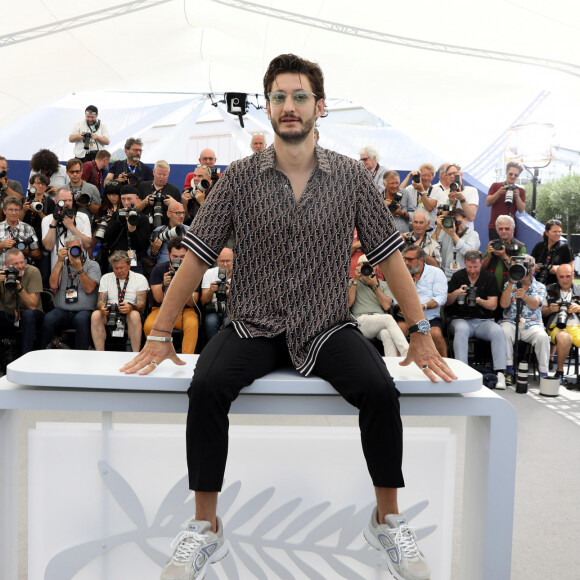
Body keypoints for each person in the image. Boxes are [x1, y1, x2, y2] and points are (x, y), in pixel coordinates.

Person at [121, 54, 454, 580]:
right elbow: (197, 254)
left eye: (300, 97)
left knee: (380, 390)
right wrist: (160, 331)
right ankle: (204, 528)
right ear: (268, 107)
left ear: (319, 106)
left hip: (326, 325)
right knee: (206, 385)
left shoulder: (350, 176)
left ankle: (386, 518)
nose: (289, 106)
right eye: (279, 97)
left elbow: (390, 254)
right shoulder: (238, 179)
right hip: (252, 323)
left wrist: (419, 333)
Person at [446, 250, 507, 388]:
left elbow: (493, 305)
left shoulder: (489, 277)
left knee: (498, 331)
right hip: (461, 318)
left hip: (483, 321)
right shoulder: (457, 276)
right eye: (469, 267)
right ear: (465, 264)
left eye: (475, 267)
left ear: (481, 264)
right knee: (461, 329)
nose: (472, 270)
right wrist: (457, 293)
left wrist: (478, 300)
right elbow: (447, 302)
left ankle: (500, 373)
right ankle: (463, 371)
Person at [40, 235, 100, 350]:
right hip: (62, 310)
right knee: (48, 319)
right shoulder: (61, 264)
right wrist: (59, 261)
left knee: (81, 320)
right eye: (70, 249)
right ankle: (44, 353)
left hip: (84, 311)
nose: (74, 251)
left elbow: (89, 289)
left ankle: (81, 355)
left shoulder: (92, 265)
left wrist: (79, 269)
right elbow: (53, 285)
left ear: (82, 247)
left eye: (76, 248)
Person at [499, 254, 550, 384]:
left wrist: (525, 297)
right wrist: (511, 282)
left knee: (542, 337)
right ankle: (509, 370)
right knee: (503, 331)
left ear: (533, 268)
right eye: (521, 267)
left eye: (527, 266)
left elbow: (536, 304)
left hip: (532, 324)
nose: (524, 270)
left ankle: (544, 374)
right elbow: (504, 305)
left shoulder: (540, 286)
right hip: (511, 321)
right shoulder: (509, 284)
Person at [144, 239, 200, 354]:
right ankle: (155, 355)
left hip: (185, 310)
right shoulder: (159, 269)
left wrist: (185, 283)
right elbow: (158, 299)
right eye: (175, 256)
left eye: (182, 257)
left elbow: (192, 302)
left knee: (192, 325)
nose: (178, 260)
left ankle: (187, 359)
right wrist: (164, 285)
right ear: (169, 255)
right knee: (149, 325)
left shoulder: (194, 270)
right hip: (162, 309)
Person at [349, 255, 409, 357]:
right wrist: (355, 280)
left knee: (387, 333)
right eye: (364, 265)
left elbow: (386, 306)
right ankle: (407, 353)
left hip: (380, 321)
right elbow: (349, 303)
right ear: (358, 267)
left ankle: (391, 365)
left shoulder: (384, 284)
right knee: (388, 318)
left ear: (376, 267)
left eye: (370, 265)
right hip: (361, 321)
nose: (367, 268)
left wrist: (375, 286)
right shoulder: (352, 282)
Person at [396, 244, 448, 357]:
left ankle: (445, 363)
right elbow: (395, 300)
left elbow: (440, 298)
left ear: (421, 260)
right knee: (399, 331)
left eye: (410, 259)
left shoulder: (436, 272)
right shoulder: (402, 274)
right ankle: (397, 366)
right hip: (407, 316)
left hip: (429, 316)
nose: (406, 263)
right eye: (405, 259)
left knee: (435, 333)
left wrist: (422, 306)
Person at [91, 250, 148, 352]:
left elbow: (142, 304)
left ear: (129, 265)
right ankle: (100, 353)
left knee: (134, 315)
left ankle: (135, 353)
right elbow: (100, 301)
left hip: (130, 311)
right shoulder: (106, 277)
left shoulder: (140, 278)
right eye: (115, 268)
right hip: (111, 312)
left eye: (122, 268)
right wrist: (102, 307)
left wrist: (131, 307)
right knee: (96, 315)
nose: (119, 271)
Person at [0, 248, 43, 355]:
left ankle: (25, 356)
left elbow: (33, 306)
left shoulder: (33, 271)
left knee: (28, 315)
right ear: (6, 264)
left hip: (30, 313)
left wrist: (19, 288)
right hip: (8, 313)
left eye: (22, 262)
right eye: (15, 264)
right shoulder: (1, 274)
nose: (20, 266)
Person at [542, 264, 580, 382]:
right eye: (561, 277)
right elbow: (542, 312)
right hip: (555, 326)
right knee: (565, 337)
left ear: (573, 276)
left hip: (576, 326)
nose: (565, 280)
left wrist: (578, 308)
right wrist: (550, 309)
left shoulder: (578, 290)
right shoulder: (548, 289)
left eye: (568, 276)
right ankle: (559, 372)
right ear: (557, 277)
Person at [100, 187, 150, 273]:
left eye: (129, 199)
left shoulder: (143, 218)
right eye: (123, 199)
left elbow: (143, 246)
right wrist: (119, 221)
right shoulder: (116, 215)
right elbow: (107, 238)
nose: (126, 203)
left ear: (136, 198)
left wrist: (132, 230)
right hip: (116, 262)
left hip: (135, 262)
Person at [41, 188, 92, 270]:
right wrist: (55, 221)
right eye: (64, 201)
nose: (67, 203)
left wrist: (71, 226)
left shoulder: (82, 217)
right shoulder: (47, 220)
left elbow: (87, 244)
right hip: (58, 269)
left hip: (80, 268)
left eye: (70, 200)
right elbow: (48, 246)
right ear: (56, 201)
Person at [432, 207, 480, 280]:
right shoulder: (445, 231)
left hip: (463, 277)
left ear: (465, 220)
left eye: (458, 222)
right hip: (444, 275)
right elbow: (431, 248)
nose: (456, 226)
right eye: (453, 223)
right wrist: (438, 228)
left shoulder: (473, 235)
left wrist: (453, 234)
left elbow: (469, 253)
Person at [482, 215, 526, 295]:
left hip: (510, 290)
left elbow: (519, 271)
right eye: (500, 229)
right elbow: (482, 268)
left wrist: (503, 256)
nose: (504, 231)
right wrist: (489, 256)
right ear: (497, 230)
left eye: (507, 228)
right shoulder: (492, 244)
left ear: (513, 230)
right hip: (490, 288)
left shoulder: (520, 246)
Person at [486, 162, 525, 240]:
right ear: (506, 173)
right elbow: (488, 203)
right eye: (511, 174)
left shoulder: (520, 190)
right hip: (495, 227)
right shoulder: (496, 186)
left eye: (516, 175)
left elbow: (521, 210)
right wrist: (499, 193)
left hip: (510, 228)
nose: (513, 176)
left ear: (518, 176)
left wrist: (517, 197)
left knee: (510, 251)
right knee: (495, 250)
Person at [200, 247, 233, 341]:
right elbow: (204, 301)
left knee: (228, 322)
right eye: (222, 261)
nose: (225, 264)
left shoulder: (240, 274)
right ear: (217, 260)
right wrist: (211, 291)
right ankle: (212, 350)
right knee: (211, 322)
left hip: (231, 309)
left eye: (228, 261)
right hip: (213, 308)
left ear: (234, 261)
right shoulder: (209, 273)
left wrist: (230, 294)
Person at [0, 196, 42, 269]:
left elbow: (38, 255)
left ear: (20, 211)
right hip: (2, 271)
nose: (13, 213)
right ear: (4, 211)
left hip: (23, 272)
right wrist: (1, 246)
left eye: (16, 210)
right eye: (10, 210)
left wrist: (24, 250)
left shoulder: (28, 228)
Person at [531, 218, 573, 287]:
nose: (558, 234)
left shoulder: (565, 247)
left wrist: (559, 269)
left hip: (558, 285)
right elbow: (530, 264)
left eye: (559, 231)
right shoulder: (539, 246)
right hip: (538, 284)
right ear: (547, 232)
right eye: (555, 231)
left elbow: (571, 268)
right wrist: (534, 266)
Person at [436, 164, 479, 229]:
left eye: (454, 173)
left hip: (466, 234)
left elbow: (471, 217)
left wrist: (462, 199)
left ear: (461, 175)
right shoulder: (442, 195)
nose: (452, 176)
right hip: (448, 233)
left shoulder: (471, 191)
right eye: (449, 174)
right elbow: (440, 218)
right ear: (447, 178)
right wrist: (450, 204)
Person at [149, 201, 190, 266]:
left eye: (183, 213)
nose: (182, 216)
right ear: (168, 214)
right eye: (178, 213)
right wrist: (154, 250)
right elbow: (151, 256)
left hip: (185, 268)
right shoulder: (159, 231)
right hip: (164, 269)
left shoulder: (190, 231)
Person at [66, 158, 101, 222]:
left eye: (77, 171)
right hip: (67, 225)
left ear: (81, 171)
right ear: (67, 172)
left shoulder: (92, 188)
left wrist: (88, 204)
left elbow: (99, 213)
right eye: (72, 172)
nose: (75, 174)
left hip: (86, 226)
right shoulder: (62, 190)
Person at [383, 170, 416, 235]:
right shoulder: (378, 196)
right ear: (385, 184)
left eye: (397, 183)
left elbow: (414, 216)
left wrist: (402, 213)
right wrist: (382, 205)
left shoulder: (406, 193)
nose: (395, 186)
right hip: (384, 237)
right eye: (392, 183)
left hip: (403, 237)